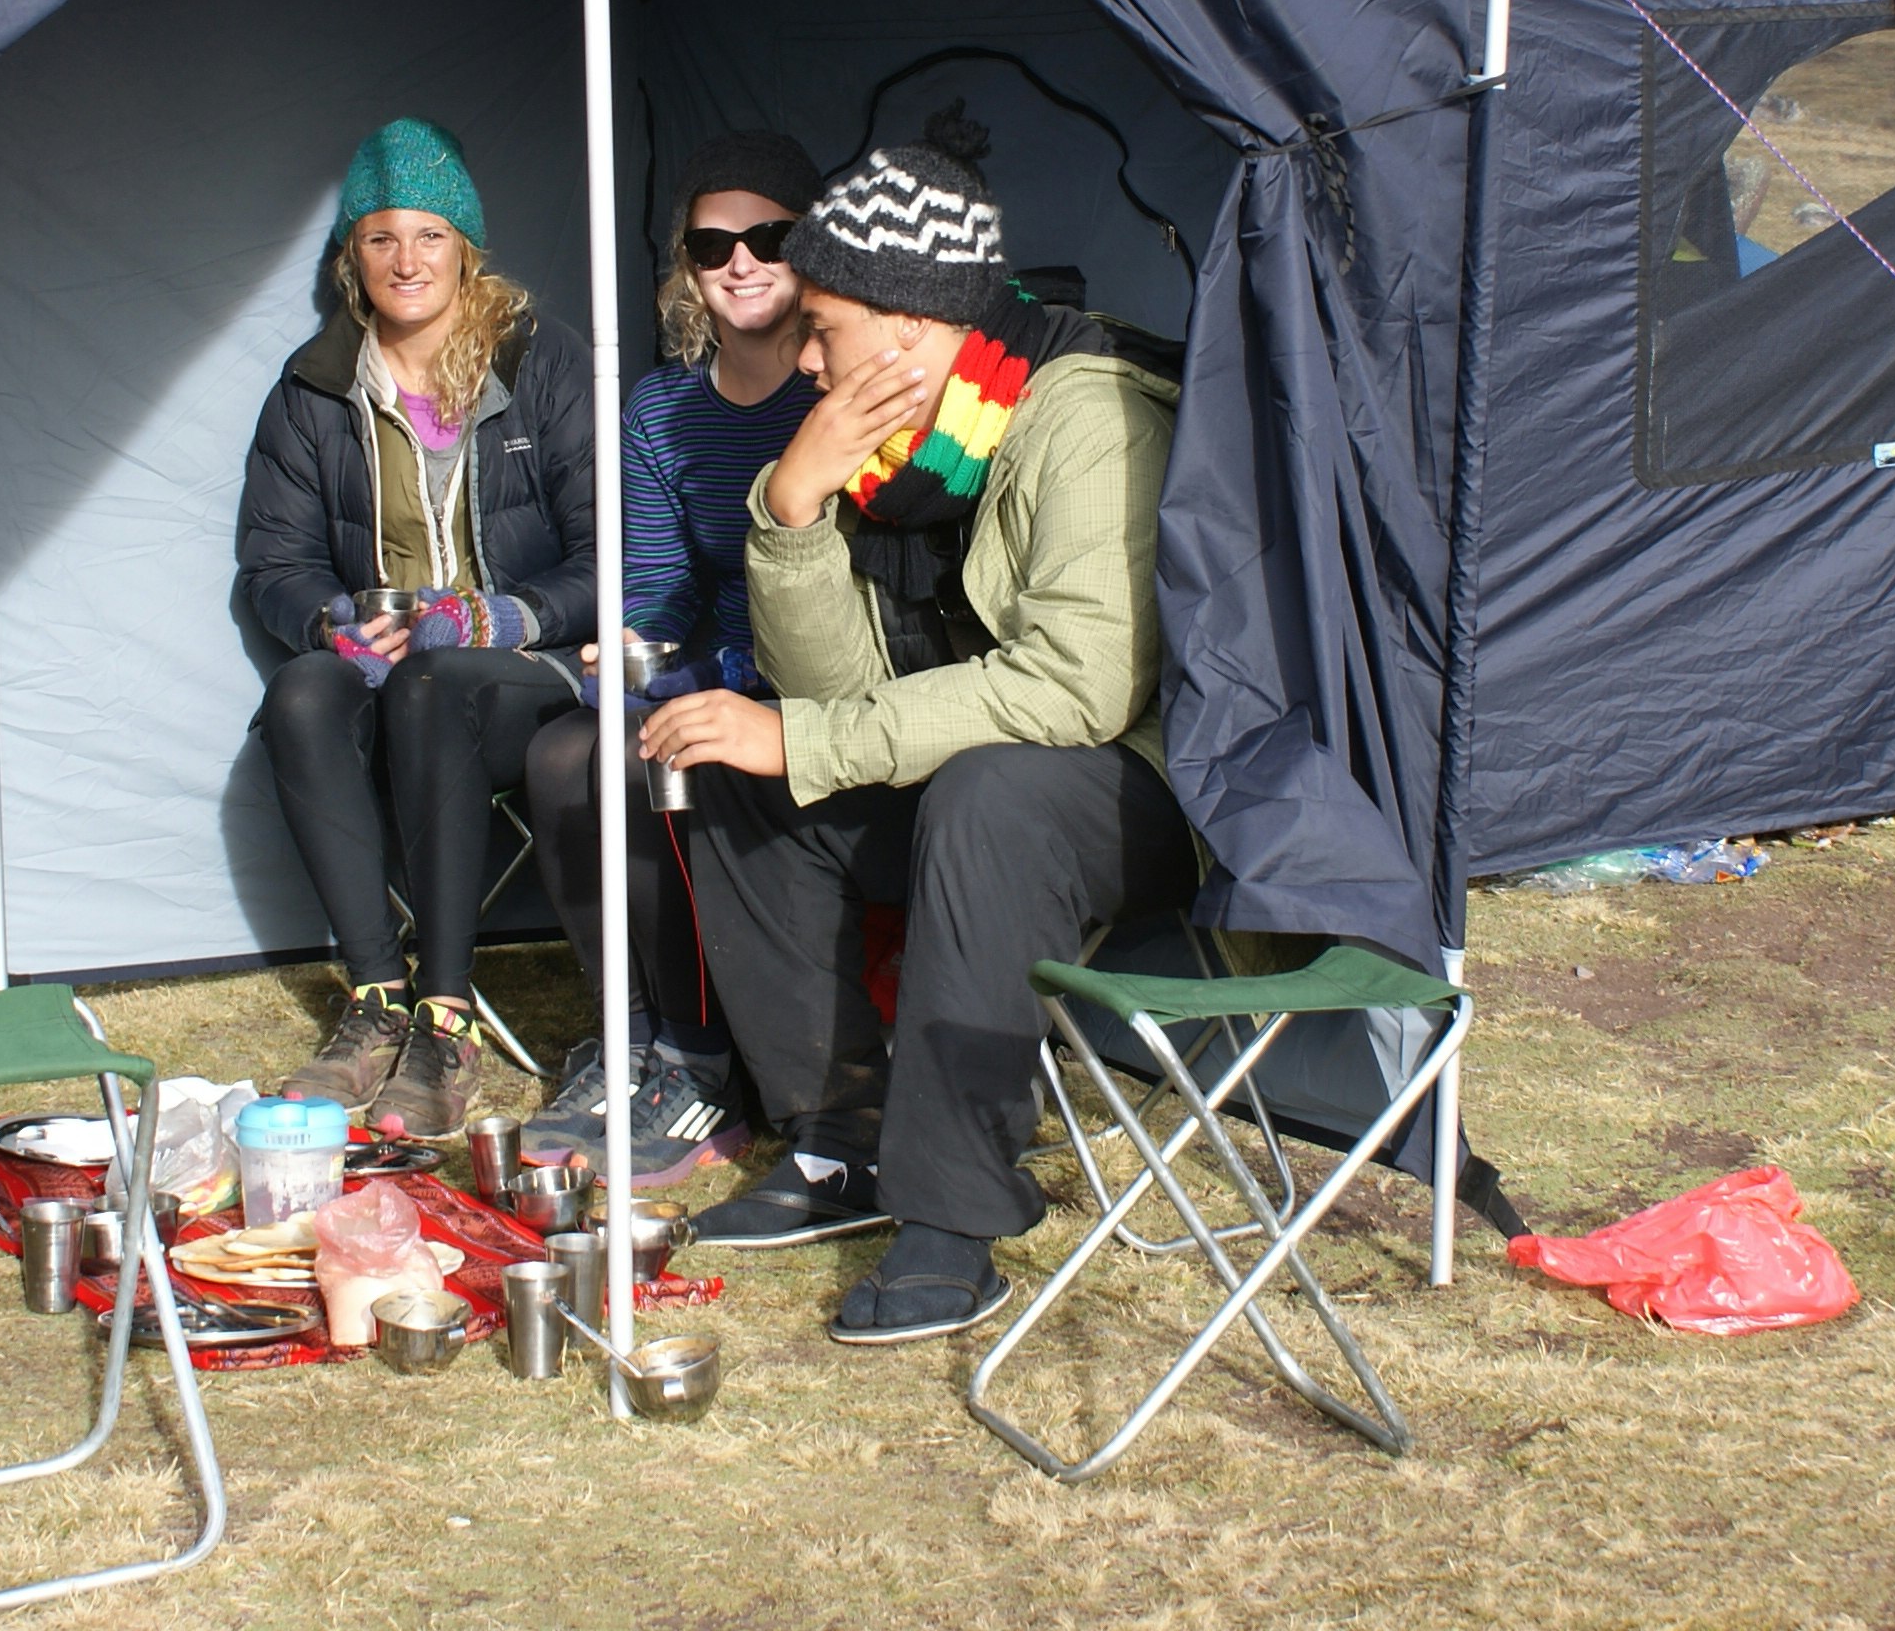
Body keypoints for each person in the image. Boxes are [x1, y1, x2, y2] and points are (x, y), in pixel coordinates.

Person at [637, 114, 1193, 1345]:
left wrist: (816, 740)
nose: (809, 364)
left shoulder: (1086, 416)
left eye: (822, 331)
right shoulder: (885, 451)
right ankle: (842, 1146)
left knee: (984, 790)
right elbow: (825, 690)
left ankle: (953, 1215)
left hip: (1128, 793)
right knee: (738, 767)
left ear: (906, 322)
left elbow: (1080, 687)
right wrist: (788, 504)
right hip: (957, 782)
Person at [231, 117, 594, 1139]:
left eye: (428, 235)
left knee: (440, 683)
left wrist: (493, 614)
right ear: (352, 255)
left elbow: (605, 553)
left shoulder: (540, 363)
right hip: (386, 660)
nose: (405, 260)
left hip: (520, 661)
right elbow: (271, 560)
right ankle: (373, 1000)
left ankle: (445, 1018)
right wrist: (329, 616)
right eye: (380, 237)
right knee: (299, 693)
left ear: (464, 248)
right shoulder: (312, 391)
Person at [512, 132, 824, 1188]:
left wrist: (704, 675)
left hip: (814, 671)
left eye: (767, 237)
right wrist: (632, 645)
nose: (739, 262)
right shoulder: (660, 407)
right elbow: (659, 586)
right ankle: (629, 1038)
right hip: (711, 661)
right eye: (712, 244)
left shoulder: (841, 396)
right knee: (563, 753)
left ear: (809, 247)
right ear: (686, 266)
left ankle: (699, 1059)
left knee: (665, 753)